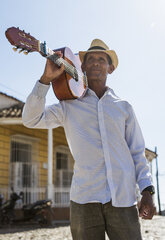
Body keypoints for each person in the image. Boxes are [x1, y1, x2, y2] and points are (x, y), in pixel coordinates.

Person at [22, 39, 155, 240]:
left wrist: (147, 191)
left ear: (110, 68)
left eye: (102, 59)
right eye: (90, 58)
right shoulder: (68, 105)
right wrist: (45, 80)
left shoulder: (124, 107)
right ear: (81, 66)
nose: (95, 62)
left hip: (123, 199)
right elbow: (31, 119)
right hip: (84, 200)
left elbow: (137, 152)